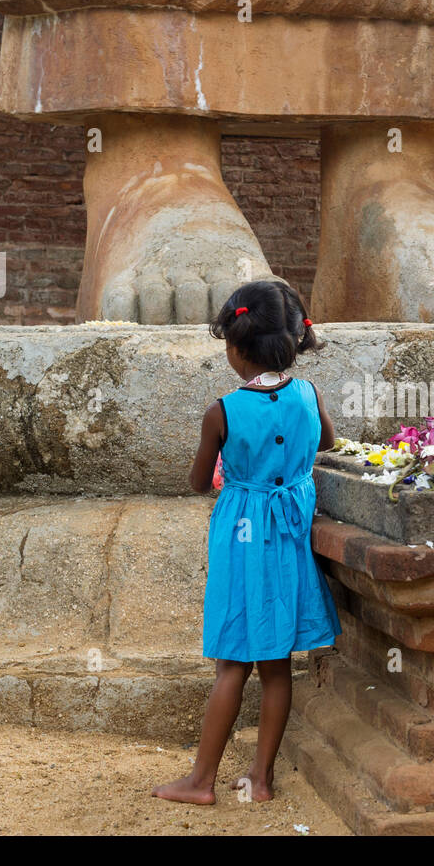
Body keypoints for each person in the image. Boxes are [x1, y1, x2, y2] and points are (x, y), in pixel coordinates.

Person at [153, 279, 340, 804]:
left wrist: (231, 470)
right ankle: (260, 779)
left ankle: (200, 782)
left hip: (242, 537)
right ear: (293, 340)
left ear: (235, 349)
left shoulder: (223, 410)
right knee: (277, 662)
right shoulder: (308, 393)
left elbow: (195, 482)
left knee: (233, 662)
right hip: (290, 535)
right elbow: (328, 442)